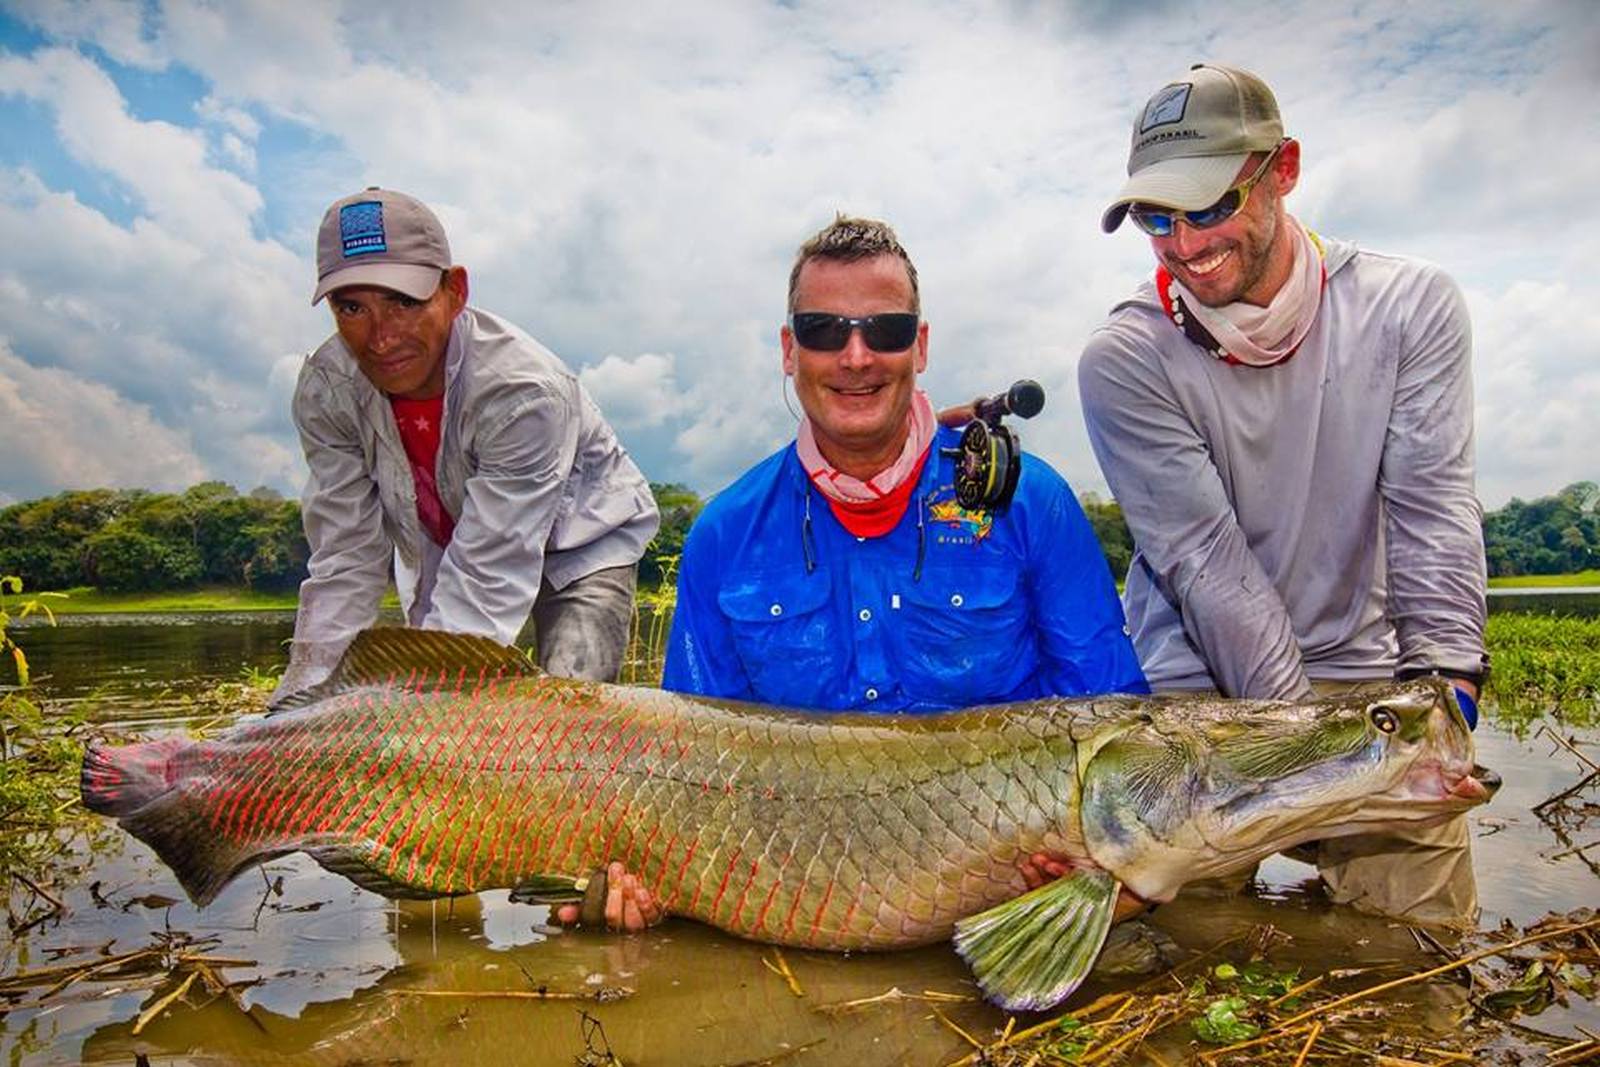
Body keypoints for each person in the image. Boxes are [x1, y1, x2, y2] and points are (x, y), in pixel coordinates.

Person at [565, 214, 1149, 930]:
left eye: (885, 330)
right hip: (794, 900)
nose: (856, 356)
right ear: (790, 350)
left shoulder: (1032, 501)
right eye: (823, 331)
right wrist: (642, 879)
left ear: (920, 345)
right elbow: (688, 766)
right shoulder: (723, 534)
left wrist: (1124, 875)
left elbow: (1119, 725)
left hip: (1011, 895)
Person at [1078, 64, 1488, 926]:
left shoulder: (1409, 307)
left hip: (1367, 687)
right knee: (1179, 955)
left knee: (1424, 951)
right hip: (1194, 704)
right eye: (1157, 218)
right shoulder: (1125, 359)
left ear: (1283, 169)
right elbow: (1206, 565)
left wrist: (1445, 691)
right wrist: (1310, 762)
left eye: (1210, 206)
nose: (1184, 243)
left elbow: (1433, 510)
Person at [271, 187, 659, 706]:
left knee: (568, 710)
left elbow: (488, 576)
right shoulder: (329, 390)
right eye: (352, 308)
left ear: (454, 291)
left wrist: (420, 706)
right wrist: (298, 710)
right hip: (451, 542)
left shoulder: (524, 392)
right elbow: (346, 558)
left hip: (580, 543)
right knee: (423, 697)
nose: (381, 338)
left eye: (404, 302)